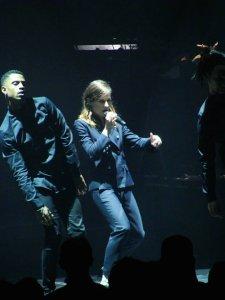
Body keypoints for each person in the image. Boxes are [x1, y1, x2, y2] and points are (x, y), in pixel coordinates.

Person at [0, 70, 87, 294]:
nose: (21, 86)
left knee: (77, 233)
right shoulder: (6, 131)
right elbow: (18, 171)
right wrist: (37, 203)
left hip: (66, 178)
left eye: (24, 82)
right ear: (4, 90)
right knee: (53, 233)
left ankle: (78, 282)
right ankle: (48, 288)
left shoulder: (44, 105)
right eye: (15, 83)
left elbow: (66, 135)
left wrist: (76, 172)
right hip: (41, 183)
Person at [74, 79, 162, 287]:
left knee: (138, 233)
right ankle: (107, 274)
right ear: (90, 102)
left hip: (123, 183)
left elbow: (134, 140)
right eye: (102, 101)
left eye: (108, 100)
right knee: (121, 227)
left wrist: (151, 142)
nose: (106, 105)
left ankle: (116, 266)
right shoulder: (81, 124)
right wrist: (106, 129)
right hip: (102, 186)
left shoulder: (116, 121)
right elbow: (91, 153)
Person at [193, 43, 225, 218]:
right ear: (207, 77)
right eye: (220, 78)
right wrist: (211, 196)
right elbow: (207, 158)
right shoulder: (206, 115)